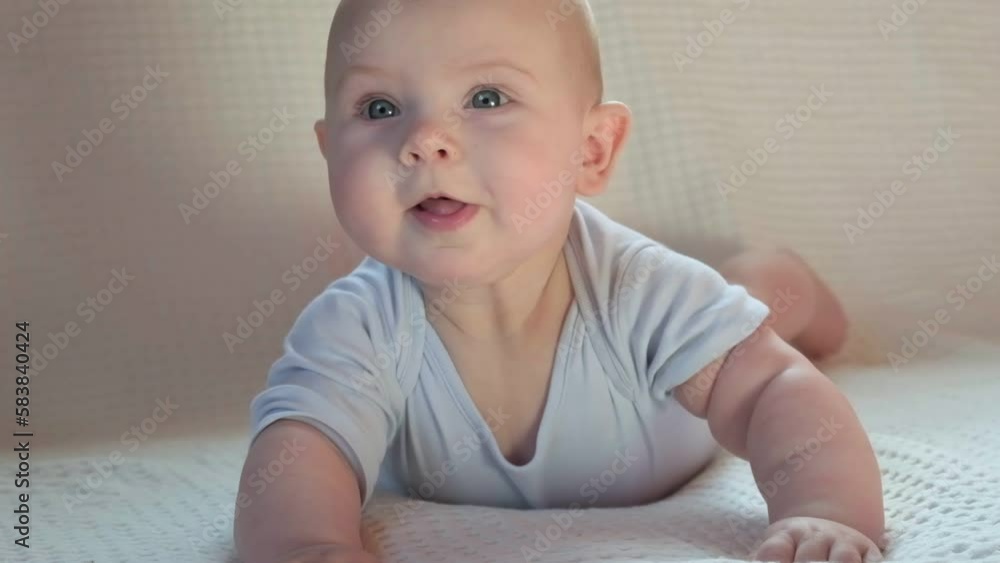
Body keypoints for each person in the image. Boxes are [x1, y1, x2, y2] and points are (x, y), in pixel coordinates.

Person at [234, 1, 882, 562]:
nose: (425, 140)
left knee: (754, 296)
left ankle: (783, 274)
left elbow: (773, 389)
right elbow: (300, 444)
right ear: (329, 151)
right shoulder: (357, 323)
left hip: (675, 394)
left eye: (486, 98)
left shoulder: (641, 290)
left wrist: (825, 509)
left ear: (592, 149)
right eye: (379, 107)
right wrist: (306, 545)